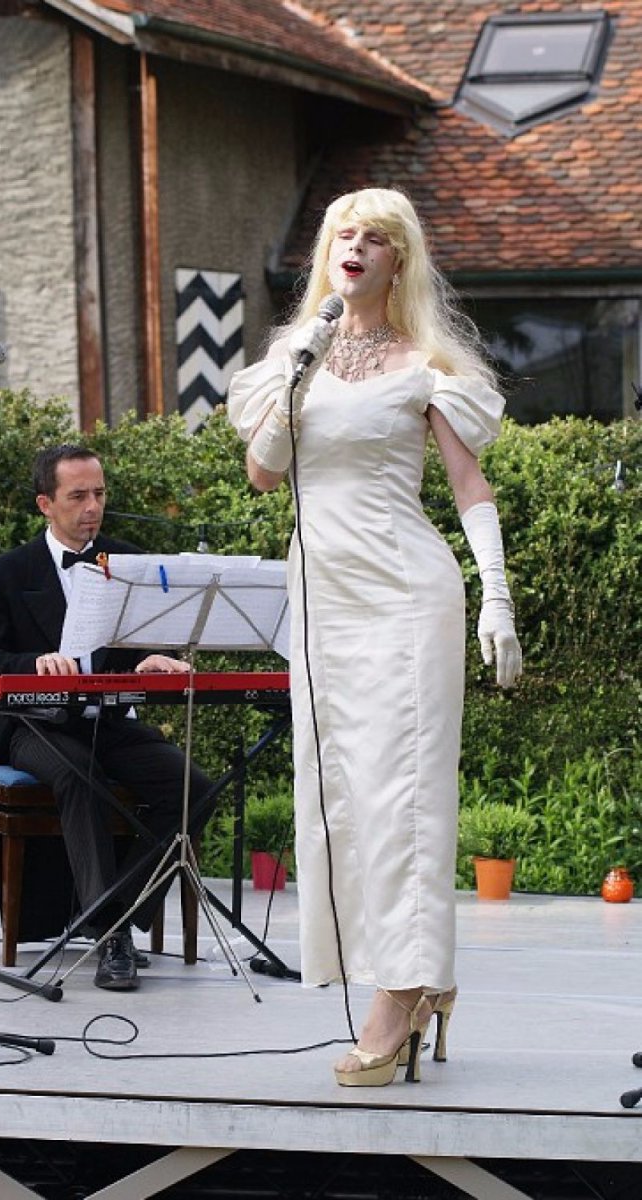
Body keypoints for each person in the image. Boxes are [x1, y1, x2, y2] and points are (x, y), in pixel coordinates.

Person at [227, 187, 522, 1086]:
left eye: (375, 238)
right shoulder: (296, 358)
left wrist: (497, 596)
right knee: (341, 798)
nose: (354, 246)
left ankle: (400, 994)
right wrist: (301, 367)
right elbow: (263, 475)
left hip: (405, 593)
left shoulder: (426, 364)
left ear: (399, 261)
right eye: (343, 234)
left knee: (406, 798)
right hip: (323, 599)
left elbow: (468, 484)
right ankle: (415, 978)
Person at [0, 444, 214, 991]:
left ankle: (116, 909)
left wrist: (156, 656)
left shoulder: (130, 563)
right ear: (45, 504)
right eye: (77, 496)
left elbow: (150, 642)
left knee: (194, 788)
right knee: (80, 775)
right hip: (39, 727)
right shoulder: (0, 577)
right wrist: (34, 663)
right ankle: (112, 935)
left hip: (113, 722)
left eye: (98, 493)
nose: (92, 506)